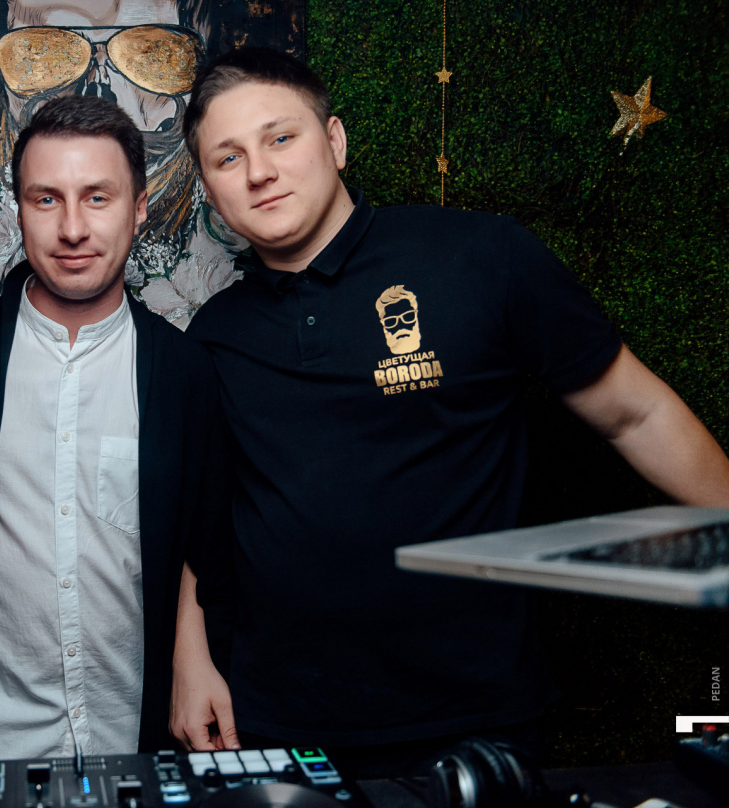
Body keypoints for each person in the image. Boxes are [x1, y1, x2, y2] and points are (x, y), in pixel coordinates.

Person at [167, 47, 729, 776]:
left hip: (473, 713)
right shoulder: (214, 334)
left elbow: (637, 415)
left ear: (334, 140)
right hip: (277, 718)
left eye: (280, 138)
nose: (259, 172)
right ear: (210, 189)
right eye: (228, 157)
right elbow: (209, 515)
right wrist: (190, 659)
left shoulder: (482, 257)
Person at [0, 95, 226, 759]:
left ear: (139, 208)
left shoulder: (185, 373)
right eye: (46, 199)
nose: (72, 228)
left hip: (132, 740)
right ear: (19, 210)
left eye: (97, 198)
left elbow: (203, 537)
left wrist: (192, 658)